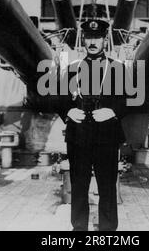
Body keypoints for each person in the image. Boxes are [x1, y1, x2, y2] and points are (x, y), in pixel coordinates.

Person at [58, 19, 129, 231]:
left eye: (97, 37)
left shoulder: (117, 69)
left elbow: (130, 99)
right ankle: (79, 229)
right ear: (83, 39)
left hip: (107, 136)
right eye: (89, 37)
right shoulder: (72, 69)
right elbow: (57, 98)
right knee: (79, 187)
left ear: (105, 40)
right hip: (78, 136)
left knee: (107, 187)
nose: (93, 42)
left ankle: (107, 231)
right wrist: (68, 111)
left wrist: (112, 111)